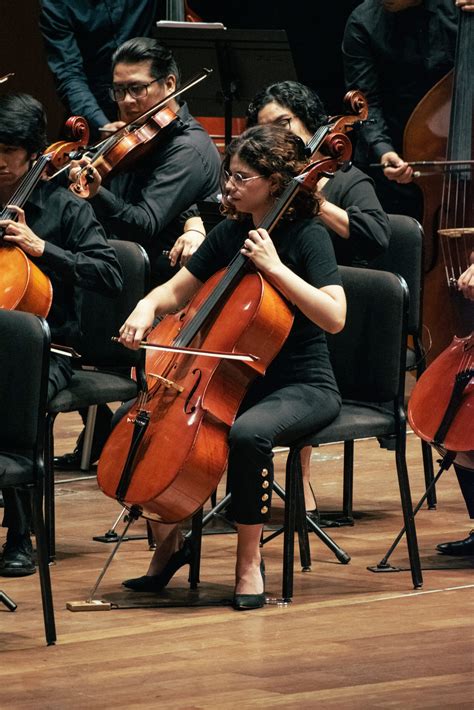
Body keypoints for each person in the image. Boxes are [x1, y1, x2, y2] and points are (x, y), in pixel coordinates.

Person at [116, 124, 346, 609]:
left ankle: (248, 564)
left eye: (242, 178)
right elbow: (175, 292)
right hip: (233, 380)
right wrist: (144, 307)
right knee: (136, 421)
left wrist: (275, 268)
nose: (230, 186)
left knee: (248, 436)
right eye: (230, 175)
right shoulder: (230, 232)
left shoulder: (307, 238)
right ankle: (169, 546)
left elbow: (335, 317)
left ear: (277, 182)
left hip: (301, 384)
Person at [55, 37, 222, 471]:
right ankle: (98, 431)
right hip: (120, 265)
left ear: (169, 85)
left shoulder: (186, 148)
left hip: (160, 278)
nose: (126, 101)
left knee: (61, 303)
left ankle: (119, 433)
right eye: (118, 90)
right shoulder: (138, 137)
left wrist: (97, 194)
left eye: (137, 89)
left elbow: (144, 223)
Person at [247, 79, 391, 521]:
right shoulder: (268, 182)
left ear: (312, 125)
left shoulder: (347, 179)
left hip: (339, 317)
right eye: (267, 129)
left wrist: (313, 199)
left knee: (293, 351)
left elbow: (377, 236)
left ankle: (295, 481)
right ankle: (241, 478)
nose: (280, 136)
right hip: (283, 308)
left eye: (285, 124)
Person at [0, 93, 123, 577]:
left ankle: (19, 534)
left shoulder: (66, 209)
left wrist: (40, 247)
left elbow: (109, 275)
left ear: (34, 154)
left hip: (49, 350)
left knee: (14, 401)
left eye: (6, 152)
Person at [342, 0, 474, 220]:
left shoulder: (460, 9)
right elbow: (365, 102)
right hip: (394, 163)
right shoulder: (363, 22)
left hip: (460, 154)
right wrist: (383, 149)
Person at [39, 1, 160, 140]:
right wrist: (102, 125)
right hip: (94, 112)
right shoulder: (58, 4)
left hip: (150, 105)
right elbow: (69, 74)